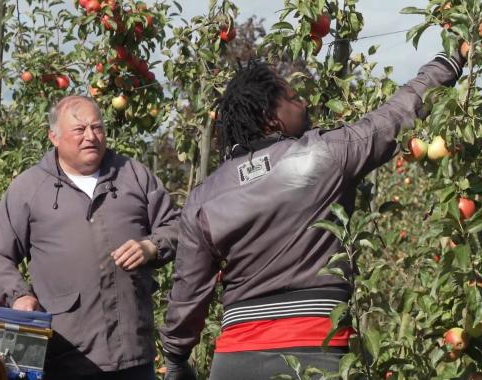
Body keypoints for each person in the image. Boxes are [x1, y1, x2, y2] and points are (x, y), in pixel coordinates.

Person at [159, 50, 466, 379]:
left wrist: (176, 357)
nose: (303, 104)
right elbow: (394, 116)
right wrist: (451, 62)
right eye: (292, 98)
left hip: (235, 359)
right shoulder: (325, 154)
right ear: (270, 115)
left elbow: (189, 289)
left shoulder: (204, 197)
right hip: (315, 353)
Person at [0, 95, 180, 379]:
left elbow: (176, 225)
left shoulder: (132, 175)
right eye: (79, 130)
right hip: (67, 355)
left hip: (134, 353)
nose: (91, 137)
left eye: (97, 128)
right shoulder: (31, 188)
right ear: (54, 137)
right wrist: (18, 296)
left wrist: (151, 247)